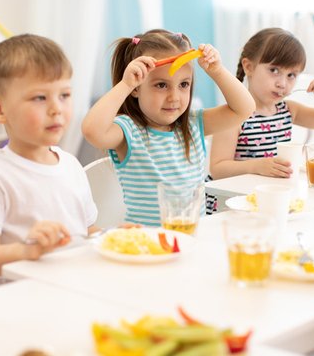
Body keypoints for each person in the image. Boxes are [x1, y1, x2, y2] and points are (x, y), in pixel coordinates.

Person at [82, 29, 255, 226]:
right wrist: (126, 84)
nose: (174, 97)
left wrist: (217, 71)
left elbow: (245, 108)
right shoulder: (129, 131)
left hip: (192, 241)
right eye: (161, 85)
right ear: (137, 88)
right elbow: (92, 130)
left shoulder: (193, 124)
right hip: (147, 245)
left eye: (183, 84)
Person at [0, 34, 99, 276]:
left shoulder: (72, 166)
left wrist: (116, 238)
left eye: (64, 95)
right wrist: (25, 250)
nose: (56, 109)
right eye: (40, 98)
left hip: (73, 288)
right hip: (19, 299)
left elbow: (89, 233)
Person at [207, 28, 314, 213]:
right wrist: (257, 166)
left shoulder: (288, 110)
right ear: (249, 67)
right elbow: (218, 168)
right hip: (230, 204)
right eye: (274, 70)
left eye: (291, 75)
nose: (283, 83)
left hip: (266, 200)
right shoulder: (234, 115)